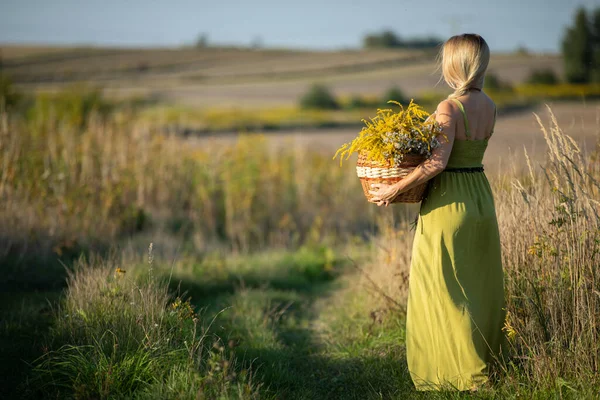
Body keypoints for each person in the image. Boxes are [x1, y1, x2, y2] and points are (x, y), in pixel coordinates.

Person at [368, 33, 507, 391]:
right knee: (478, 287)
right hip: (479, 196)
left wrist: (394, 188)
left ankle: (459, 373)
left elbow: (436, 164)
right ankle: (488, 364)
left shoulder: (449, 107)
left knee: (443, 288)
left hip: (449, 201)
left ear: (454, 64)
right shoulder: (490, 105)